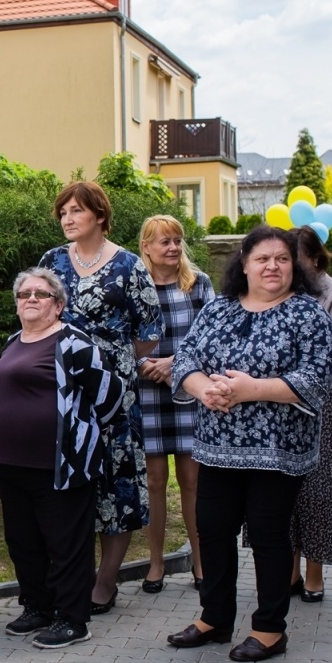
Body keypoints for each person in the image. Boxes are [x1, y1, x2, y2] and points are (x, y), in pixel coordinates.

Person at [165, 226, 332, 663]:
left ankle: (268, 629)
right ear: (244, 264)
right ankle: (215, 618)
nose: (272, 266)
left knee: (267, 536)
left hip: (277, 452)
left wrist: (251, 389)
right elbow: (185, 359)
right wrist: (205, 389)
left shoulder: (307, 314)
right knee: (214, 529)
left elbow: (316, 378)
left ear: (294, 266)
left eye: (282, 258)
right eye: (262, 259)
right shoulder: (218, 309)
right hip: (216, 446)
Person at [0, 269, 122, 649]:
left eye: (41, 294)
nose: (30, 299)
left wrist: (79, 436)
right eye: (24, 294)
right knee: (24, 541)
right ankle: (38, 606)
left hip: (61, 465)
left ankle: (73, 619)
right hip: (11, 465)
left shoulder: (73, 342)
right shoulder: (14, 342)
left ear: (58, 305)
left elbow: (109, 394)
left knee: (66, 542)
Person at [38, 180, 162, 617]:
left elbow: (149, 332)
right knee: (68, 485)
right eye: (64, 213)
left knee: (117, 484)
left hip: (113, 396)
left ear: (100, 216)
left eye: (76, 211)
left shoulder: (128, 264)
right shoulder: (52, 261)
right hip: (62, 389)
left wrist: (112, 361)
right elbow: (38, 314)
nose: (68, 219)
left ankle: (105, 581)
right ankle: (70, 576)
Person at [135, 214, 213, 593]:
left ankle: (200, 562)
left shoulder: (198, 285)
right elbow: (120, 336)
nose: (173, 247)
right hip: (147, 392)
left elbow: (213, 338)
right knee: (154, 480)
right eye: (164, 241)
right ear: (146, 247)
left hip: (188, 391)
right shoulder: (136, 286)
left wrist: (175, 363)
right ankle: (154, 565)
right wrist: (144, 364)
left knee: (192, 481)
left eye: (177, 240)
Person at [289, 226, 332, 602]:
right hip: (278, 402)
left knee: (321, 485)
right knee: (283, 487)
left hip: (320, 400)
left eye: (293, 257)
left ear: (315, 258)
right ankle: (290, 570)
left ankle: (314, 571)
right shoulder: (280, 289)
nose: (285, 265)